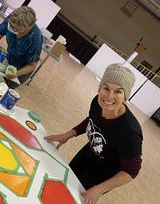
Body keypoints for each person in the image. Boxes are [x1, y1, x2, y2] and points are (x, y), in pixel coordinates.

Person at [44, 63, 143, 204]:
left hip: (102, 176)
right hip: (87, 154)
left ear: (125, 96)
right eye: (106, 88)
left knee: (68, 199)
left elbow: (131, 171)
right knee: (61, 183)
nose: (109, 97)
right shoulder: (97, 103)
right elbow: (91, 120)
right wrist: (67, 135)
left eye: (118, 92)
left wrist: (99, 189)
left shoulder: (130, 132)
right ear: (100, 88)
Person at [0, 6, 43, 89]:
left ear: (26, 28)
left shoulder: (35, 39)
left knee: (1, 89)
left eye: (14, 28)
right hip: (9, 59)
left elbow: (32, 65)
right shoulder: (13, 18)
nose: (10, 27)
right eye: (10, 25)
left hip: (21, 69)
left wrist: (16, 73)